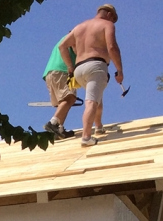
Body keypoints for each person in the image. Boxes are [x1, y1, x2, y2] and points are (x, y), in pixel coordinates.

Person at [58, 4, 124, 147]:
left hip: (79, 69)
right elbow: (112, 47)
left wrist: (70, 67)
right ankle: (86, 137)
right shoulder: (107, 25)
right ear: (108, 14)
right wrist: (119, 70)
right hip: (96, 65)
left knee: (96, 98)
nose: (112, 22)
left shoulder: (79, 27)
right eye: (113, 19)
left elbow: (62, 46)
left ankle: (98, 126)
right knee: (91, 102)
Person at [42, 36, 78, 140]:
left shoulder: (63, 38)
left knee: (63, 102)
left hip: (50, 73)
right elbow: (77, 52)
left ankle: (59, 129)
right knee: (69, 98)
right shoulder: (75, 37)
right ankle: (53, 123)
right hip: (62, 70)